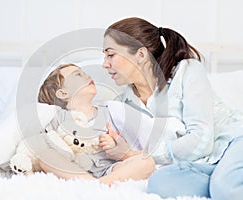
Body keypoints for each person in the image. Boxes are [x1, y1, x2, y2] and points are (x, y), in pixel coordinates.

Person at [101, 17, 243, 199]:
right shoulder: (123, 105)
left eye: (110, 55)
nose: (104, 64)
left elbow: (202, 139)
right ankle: (222, 184)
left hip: (232, 144)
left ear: (141, 55)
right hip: (203, 164)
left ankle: (224, 186)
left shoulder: (187, 70)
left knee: (225, 188)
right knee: (161, 184)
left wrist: (136, 155)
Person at [37, 63, 155, 183]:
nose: (87, 76)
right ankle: (93, 184)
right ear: (63, 93)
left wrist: (116, 147)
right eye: (78, 75)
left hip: (110, 169)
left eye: (84, 73)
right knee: (46, 155)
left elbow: (153, 138)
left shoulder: (111, 110)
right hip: (77, 171)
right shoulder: (56, 118)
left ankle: (99, 184)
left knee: (146, 162)